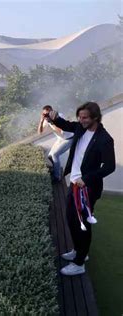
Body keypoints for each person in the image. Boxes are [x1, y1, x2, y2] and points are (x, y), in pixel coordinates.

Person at [48, 102, 115, 276]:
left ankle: (79, 263)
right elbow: (66, 125)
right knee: (71, 218)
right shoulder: (80, 128)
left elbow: (109, 167)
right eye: (79, 116)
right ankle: (79, 251)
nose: (81, 120)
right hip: (74, 183)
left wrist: (86, 178)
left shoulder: (104, 139)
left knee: (82, 223)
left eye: (85, 117)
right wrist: (54, 118)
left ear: (95, 118)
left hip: (88, 187)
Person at [38, 105, 74, 182]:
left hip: (69, 139)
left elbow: (61, 131)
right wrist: (41, 121)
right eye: (45, 114)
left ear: (52, 111)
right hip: (61, 138)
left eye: (48, 114)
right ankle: (56, 171)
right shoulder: (46, 120)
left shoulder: (59, 116)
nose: (47, 116)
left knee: (55, 155)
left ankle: (57, 177)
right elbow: (40, 133)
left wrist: (52, 122)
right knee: (50, 156)